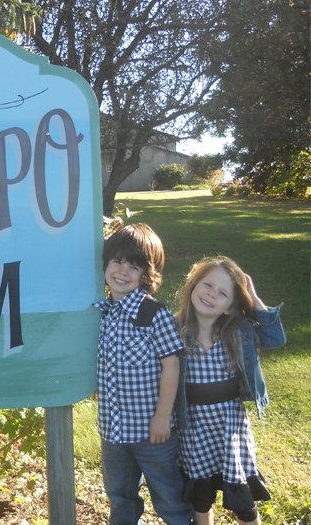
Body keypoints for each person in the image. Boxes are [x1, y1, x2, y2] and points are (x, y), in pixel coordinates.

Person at [174, 257, 286, 525]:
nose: (212, 294)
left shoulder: (238, 332)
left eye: (222, 293)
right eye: (207, 285)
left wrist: (253, 297)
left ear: (229, 307)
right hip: (193, 429)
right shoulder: (175, 331)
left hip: (229, 428)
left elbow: (275, 338)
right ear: (192, 287)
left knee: (242, 498)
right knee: (200, 498)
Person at [95, 223, 193, 525]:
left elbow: (171, 365)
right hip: (112, 430)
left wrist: (163, 416)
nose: (123, 271)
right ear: (107, 264)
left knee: (169, 497)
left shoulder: (154, 314)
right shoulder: (103, 312)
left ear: (147, 275)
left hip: (153, 433)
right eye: (117, 262)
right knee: (119, 495)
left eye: (134, 266)